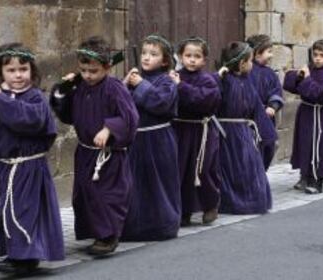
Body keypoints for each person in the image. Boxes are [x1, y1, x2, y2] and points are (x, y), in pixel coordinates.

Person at [0, 43, 64, 274]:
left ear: (32, 71)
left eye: (23, 69)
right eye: (11, 70)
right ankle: (15, 253)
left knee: (23, 211)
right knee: (6, 211)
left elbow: (27, 120)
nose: (18, 75)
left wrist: (0, 101)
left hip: (27, 167)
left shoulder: (35, 98)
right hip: (2, 168)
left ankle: (26, 258)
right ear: (1, 73)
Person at [50, 36, 139, 255]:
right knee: (86, 194)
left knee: (107, 195)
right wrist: (63, 90)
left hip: (108, 156)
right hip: (85, 152)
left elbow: (129, 117)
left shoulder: (115, 88)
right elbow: (68, 114)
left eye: (94, 71)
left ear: (107, 68)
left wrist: (109, 128)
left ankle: (109, 237)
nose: (88, 76)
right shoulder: (79, 86)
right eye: (84, 70)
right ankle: (96, 231)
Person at [121, 34, 181, 241]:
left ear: (164, 60)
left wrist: (140, 86)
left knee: (158, 183)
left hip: (158, 139)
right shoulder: (134, 78)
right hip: (136, 141)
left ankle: (162, 225)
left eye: (153, 54)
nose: (146, 58)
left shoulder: (167, 81)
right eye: (144, 53)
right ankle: (134, 228)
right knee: (134, 183)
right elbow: (121, 104)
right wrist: (125, 84)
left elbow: (161, 103)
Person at [214, 41, 276, 214]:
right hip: (225, 133)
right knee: (229, 168)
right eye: (249, 61)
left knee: (246, 166)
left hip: (243, 132)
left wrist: (268, 135)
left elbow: (256, 107)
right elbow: (211, 99)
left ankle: (248, 201)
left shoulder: (247, 81)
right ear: (242, 64)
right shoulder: (224, 80)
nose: (252, 65)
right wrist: (217, 78)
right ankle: (231, 202)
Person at [169, 36, 221, 226]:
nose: (192, 59)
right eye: (188, 55)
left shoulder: (208, 80)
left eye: (197, 56)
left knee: (203, 169)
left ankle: (210, 205)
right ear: (181, 57)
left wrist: (181, 87)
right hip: (180, 129)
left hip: (202, 131)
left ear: (204, 60)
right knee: (181, 169)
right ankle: (184, 210)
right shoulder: (174, 76)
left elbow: (203, 100)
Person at [283, 39, 323, 194]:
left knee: (320, 147)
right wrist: (298, 76)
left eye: (322, 55)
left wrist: (306, 79)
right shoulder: (309, 70)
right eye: (315, 54)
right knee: (304, 144)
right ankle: (304, 176)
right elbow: (290, 85)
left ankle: (317, 181)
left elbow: (315, 93)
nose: (318, 58)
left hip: (321, 116)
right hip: (306, 113)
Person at [247, 34, 284, 170]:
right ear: (257, 53)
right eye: (269, 51)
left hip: (266, 118)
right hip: (249, 120)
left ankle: (261, 172)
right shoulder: (246, 71)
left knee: (268, 145)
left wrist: (273, 106)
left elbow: (276, 92)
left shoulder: (270, 74)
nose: (271, 55)